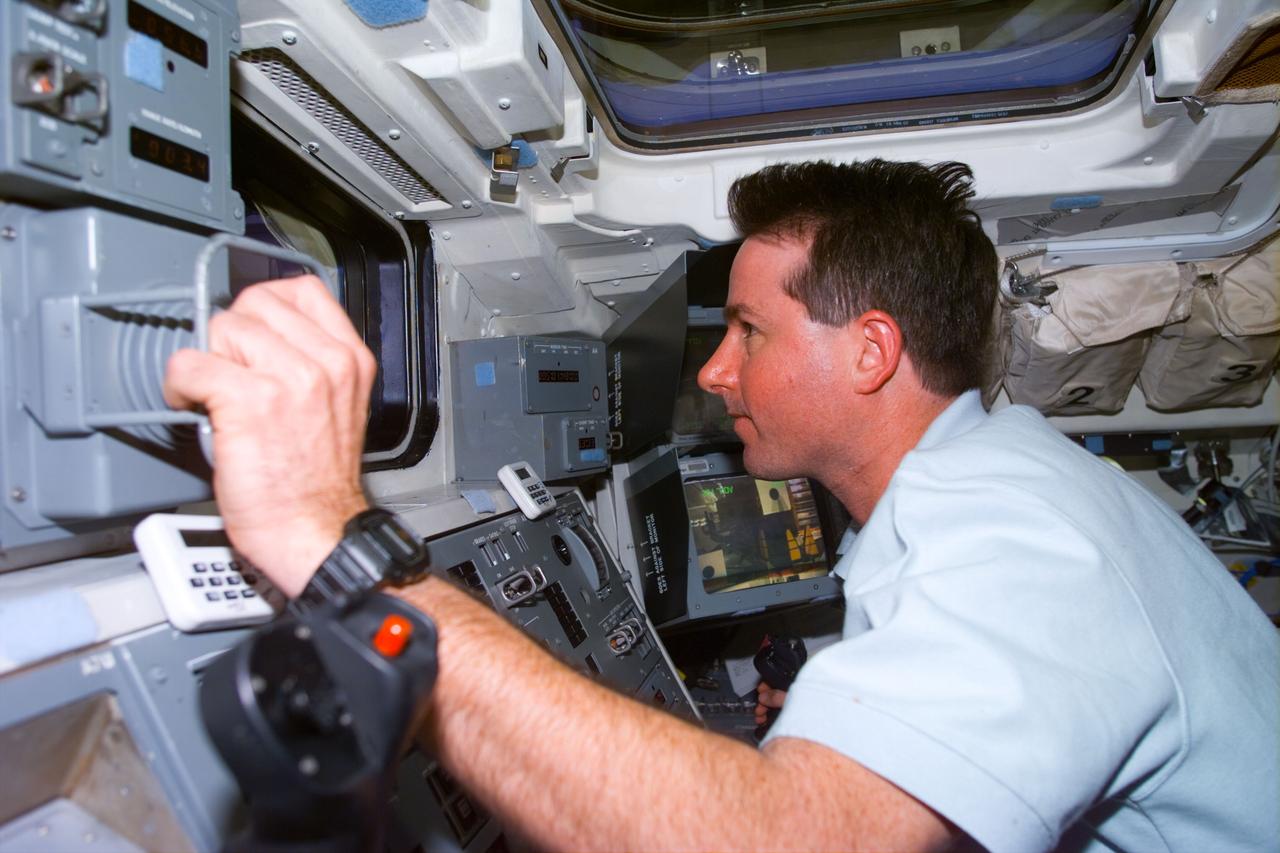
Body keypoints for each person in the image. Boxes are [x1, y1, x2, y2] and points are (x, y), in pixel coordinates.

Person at [164, 159, 1280, 851]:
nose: (712, 372)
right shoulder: (1001, 489)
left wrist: (334, 539)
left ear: (870, 353)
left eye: (746, 331)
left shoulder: (1020, 536)